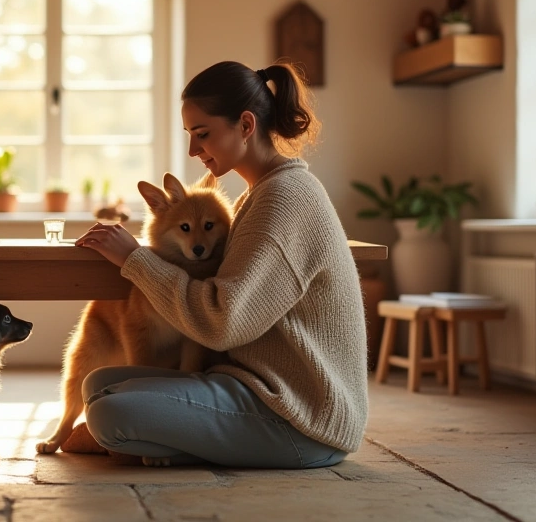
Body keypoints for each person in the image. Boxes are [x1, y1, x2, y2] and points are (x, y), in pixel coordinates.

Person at [73, 60, 367, 468]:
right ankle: (161, 438)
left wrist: (136, 260)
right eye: (190, 136)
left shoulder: (284, 199)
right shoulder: (260, 193)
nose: (194, 151)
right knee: (100, 384)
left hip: (301, 420)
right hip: (256, 389)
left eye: (203, 134)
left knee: (109, 413)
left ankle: (157, 439)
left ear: (245, 125)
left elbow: (222, 321)